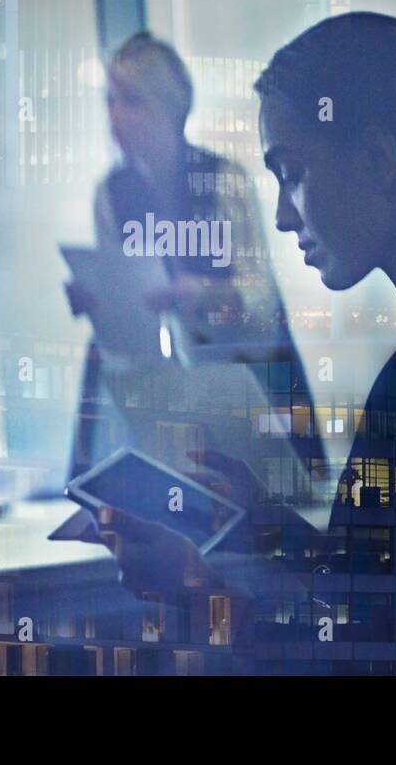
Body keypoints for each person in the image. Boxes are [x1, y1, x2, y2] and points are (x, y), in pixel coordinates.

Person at [99, 16, 396, 659]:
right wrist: (273, 533)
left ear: (379, 160)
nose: (279, 214)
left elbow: (352, 655)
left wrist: (189, 589)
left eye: (293, 170)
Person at [65, 32, 320, 477]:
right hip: (175, 389)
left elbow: (261, 297)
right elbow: (136, 324)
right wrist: (103, 307)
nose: (115, 116)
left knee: (278, 507)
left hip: (251, 374)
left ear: (171, 109)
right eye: (109, 101)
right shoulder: (110, 193)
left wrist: (201, 293)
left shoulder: (224, 180)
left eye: (131, 101)